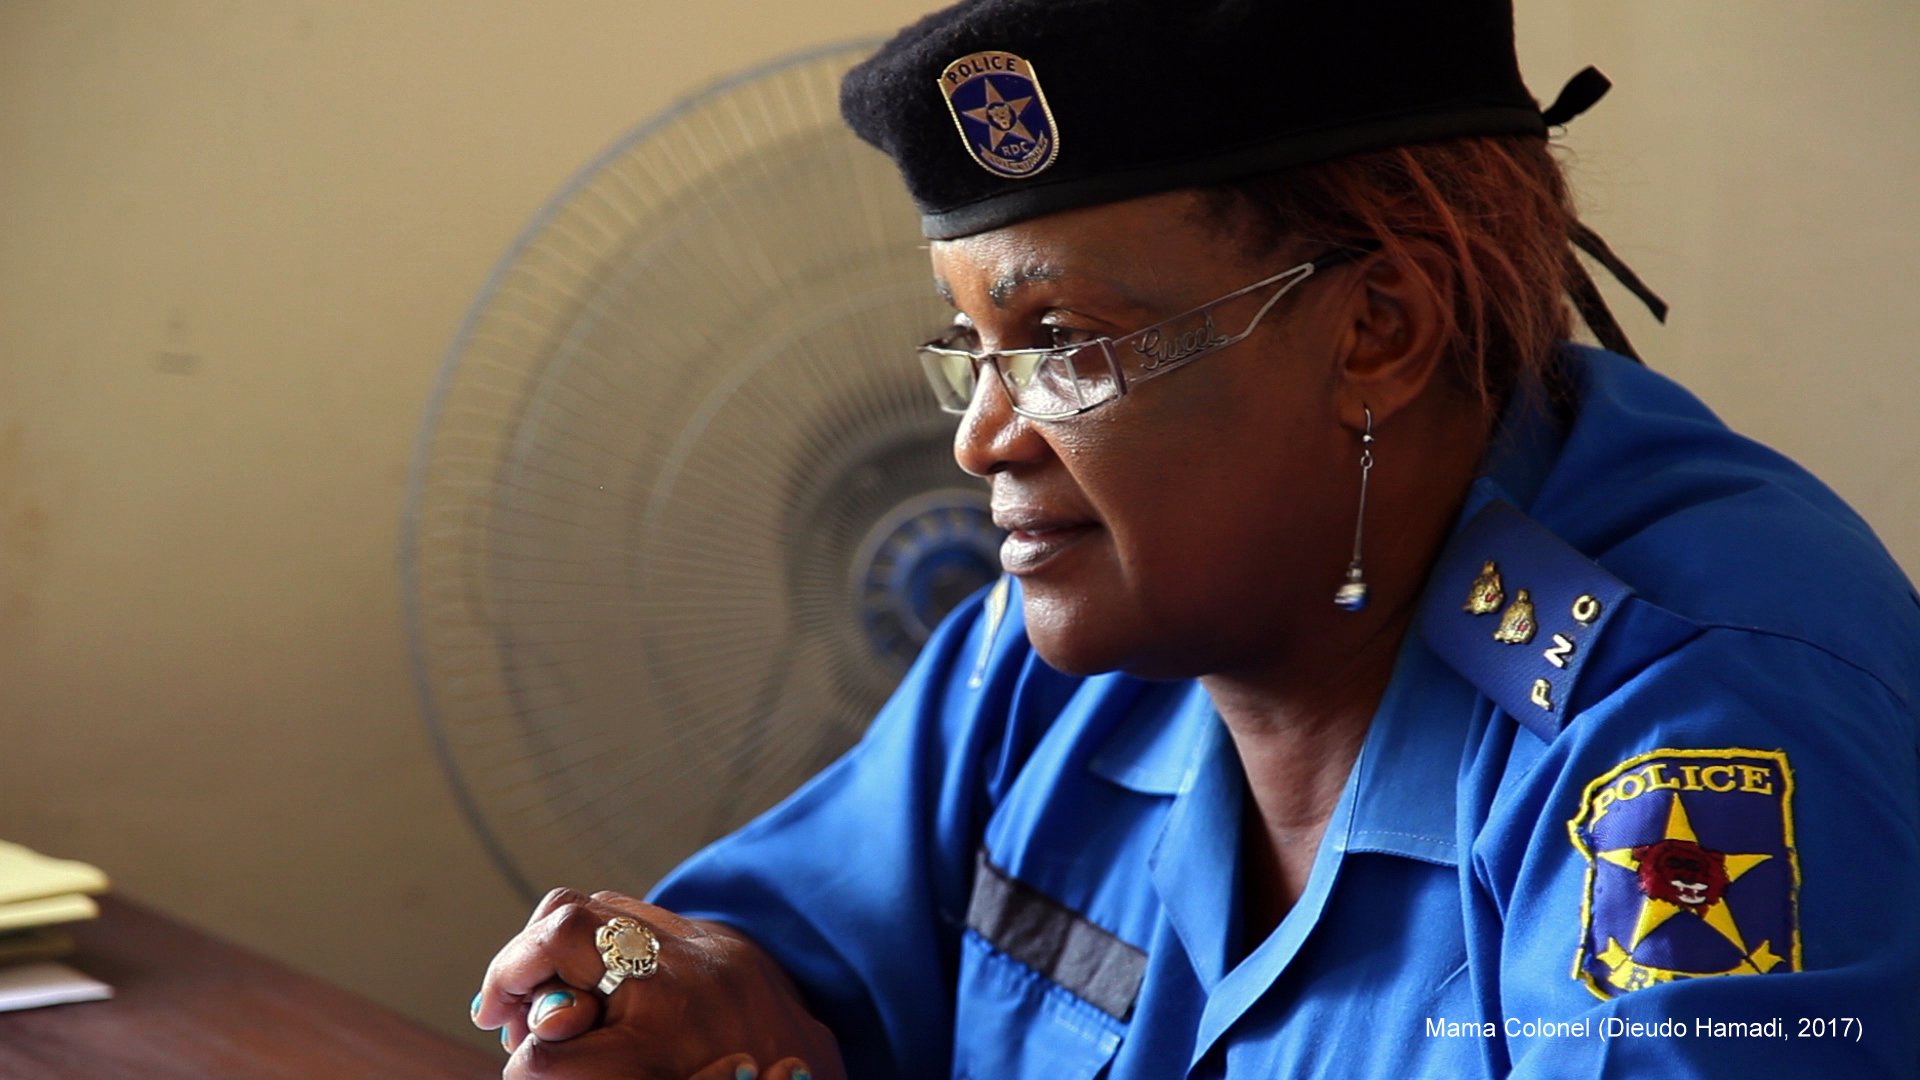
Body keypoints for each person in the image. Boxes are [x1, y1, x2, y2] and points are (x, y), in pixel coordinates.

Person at [472, 1, 1920, 1076]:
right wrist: (673, 986)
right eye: (971, 348)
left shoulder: (1691, 741)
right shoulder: (1053, 649)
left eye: (1063, 344)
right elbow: (793, 963)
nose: (983, 438)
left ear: (1378, 331)